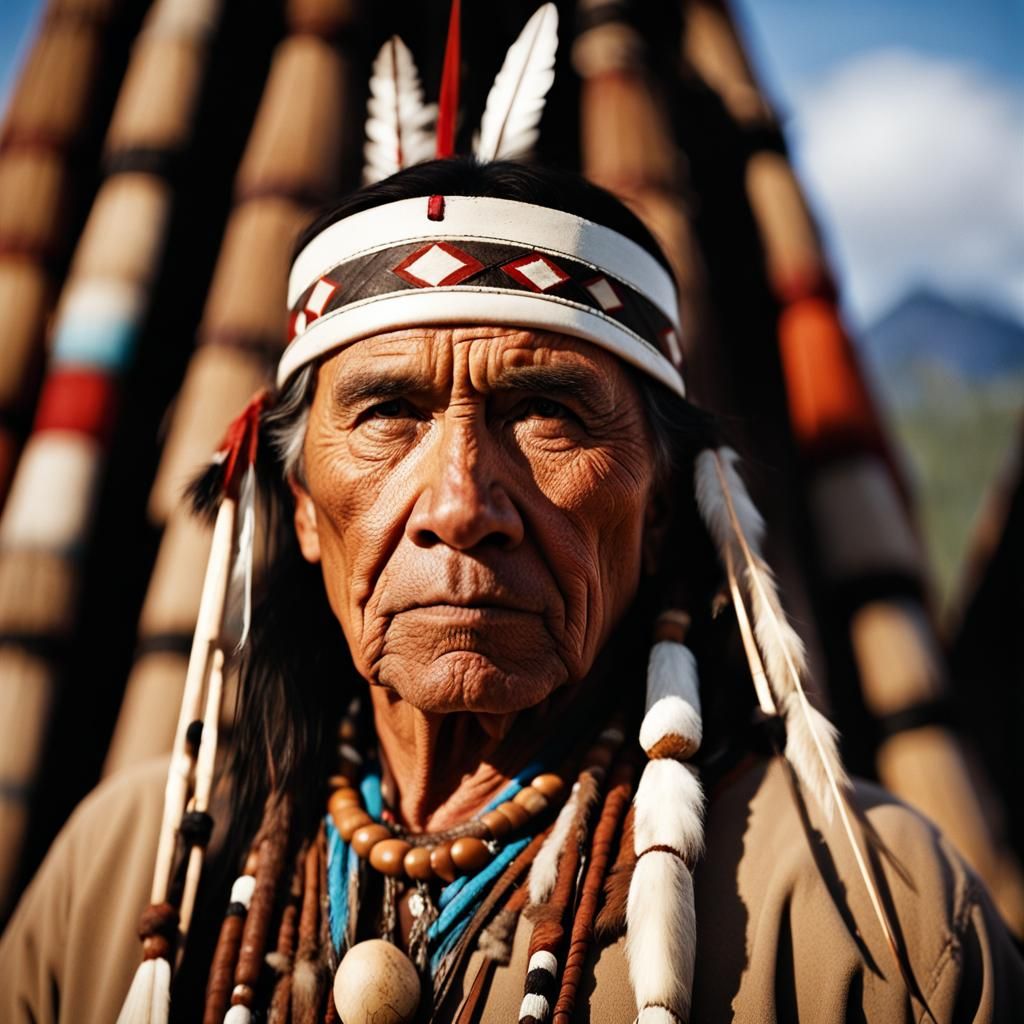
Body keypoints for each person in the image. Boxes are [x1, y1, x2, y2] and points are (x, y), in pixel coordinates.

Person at [1, 156, 1022, 1024]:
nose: (461, 504)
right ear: (304, 507)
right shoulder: (118, 877)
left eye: (546, 413)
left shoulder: (872, 928)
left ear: (661, 508)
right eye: (388, 412)